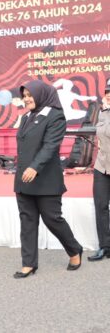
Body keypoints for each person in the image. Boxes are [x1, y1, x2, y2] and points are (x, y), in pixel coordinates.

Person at [13, 80, 83, 279]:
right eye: (24, 96)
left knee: (52, 219)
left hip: (46, 180)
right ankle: (29, 264)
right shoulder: (27, 116)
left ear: (41, 94)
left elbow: (50, 146)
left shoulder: (55, 115)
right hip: (24, 179)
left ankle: (74, 249)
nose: (26, 99)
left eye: (29, 95)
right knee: (27, 221)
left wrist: (34, 167)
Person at [89, 84, 110, 262]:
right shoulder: (103, 112)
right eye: (107, 92)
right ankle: (105, 246)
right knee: (101, 207)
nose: (109, 95)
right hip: (102, 166)